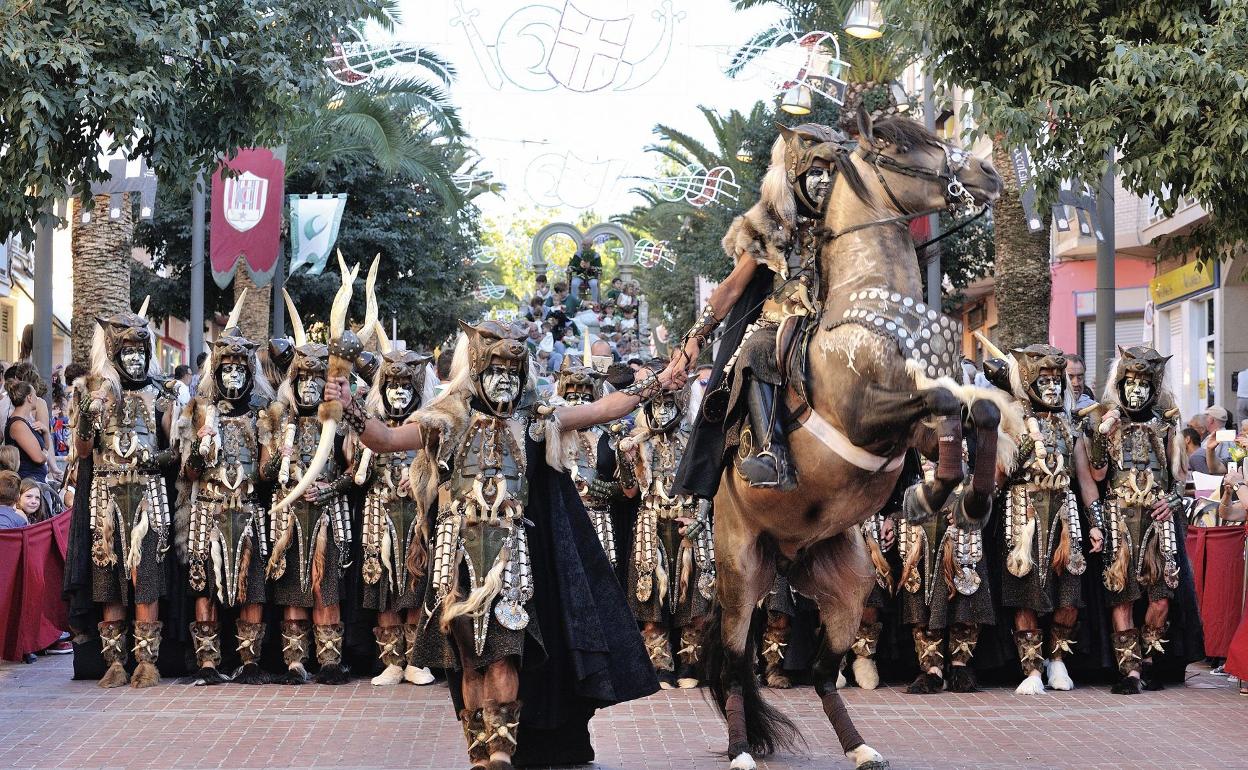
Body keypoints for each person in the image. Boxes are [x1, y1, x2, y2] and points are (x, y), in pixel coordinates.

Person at [328, 319, 659, 770]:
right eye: (495, 370)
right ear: (478, 370)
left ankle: (502, 752)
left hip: (512, 561)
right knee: (469, 663)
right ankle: (481, 753)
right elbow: (384, 440)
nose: (504, 380)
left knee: (506, 655)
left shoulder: (536, 422)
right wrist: (348, 408)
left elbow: (601, 411)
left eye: (512, 372)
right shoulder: (446, 419)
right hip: (455, 558)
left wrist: (660, 382)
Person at [663, 123, 842, 494]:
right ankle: (769, 451)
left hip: (837, 320)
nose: (825, 181)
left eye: (831, 172)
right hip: (779, 323)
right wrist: (696, 336)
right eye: (816, 172)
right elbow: (731, 289)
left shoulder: (847, 221)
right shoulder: (770, 222)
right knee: (758, 348)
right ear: (794, 172)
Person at [67, 300, 178, 688]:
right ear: (115, 353)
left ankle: (147, 662)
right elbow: (83, 452)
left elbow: (176, 451)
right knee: (108, 584)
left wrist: (153, 458)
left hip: (149, 500)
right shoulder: (92, 393)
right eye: (127, 351)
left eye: (139, 352)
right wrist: (87, 412)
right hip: (105, 500)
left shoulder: (161, 393)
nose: (134, 359)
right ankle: (114, 662)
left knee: (145, 580)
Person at [988, 344, 1102, 695]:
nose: (1053, 386)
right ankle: (1032, 668)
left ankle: (1057, 660)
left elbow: (1085, 479)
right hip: (1021, 513)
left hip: (1066, 516)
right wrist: (1020, 446)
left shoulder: (1071, 424)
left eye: (1057, 379)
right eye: (1045, 379)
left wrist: (1095, 522)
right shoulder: (1011, 420)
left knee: (1069, 595)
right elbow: (996, 477)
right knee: (1025, 594)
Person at [176, 304, 277, 685]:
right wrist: (201, 453)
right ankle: (207, 661)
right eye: (227, 369)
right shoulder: (199, 411)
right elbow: (188, 473)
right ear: (216, 373)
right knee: (203, 584)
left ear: (249, 372)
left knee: (252, 585)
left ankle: (249, 661)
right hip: (208, 510)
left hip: (248, 509)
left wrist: (278, 457)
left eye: (240, 369)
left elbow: (266, 474)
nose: (233, 375)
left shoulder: (263, 413)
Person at [1085, 346, 1188, 694]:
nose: (1137, 390)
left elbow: (1180, 481)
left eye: (1144, 383)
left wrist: (1171, 502)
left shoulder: (1168, 422)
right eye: (1131, 382)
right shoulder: (1108, 420)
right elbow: (1098, 475)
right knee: (1122, 595)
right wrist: (1102, 433)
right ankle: (1128, 668)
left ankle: (1148, 660)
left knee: (1161, 598)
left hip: (1159, 522)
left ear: (1153, 387)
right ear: (1121, 383)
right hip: (1119, 516)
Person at [263, 298, 355, 685]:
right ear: (293, 382)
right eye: (303, 380)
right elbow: (265, 472)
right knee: (291, 593)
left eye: (316, 381)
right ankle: (294, 661)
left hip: (328, 516)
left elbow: (354, 472)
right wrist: (279, 459)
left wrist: (330, 488)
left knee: (325, 589)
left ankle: (330, 661)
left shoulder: (339, 421)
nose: (309, 387)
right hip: (287, 516)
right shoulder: (277, 417)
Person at [618, 371, 714, 690]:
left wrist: (700, 518)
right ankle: (660, 665)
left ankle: (690, 663)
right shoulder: (638, 444)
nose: (662, 411)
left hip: (689, 525)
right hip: (650, 524)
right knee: (650, 601)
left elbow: (707, 486)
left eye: (668, 404)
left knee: (697, 599)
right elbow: (630, 492)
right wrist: (626, 460)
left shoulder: (695, 441)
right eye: (656, 404)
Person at [351, 335, 437, 687]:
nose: (399, 391)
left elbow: (442, 467)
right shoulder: (370, 421)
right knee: (382, 583)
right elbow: (355, 470)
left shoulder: (430, 423)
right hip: (379, 512)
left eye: (405, 385)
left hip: (417, 515)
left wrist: (421, 479)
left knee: (416, 583)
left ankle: (417, 660)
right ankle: (391, 661)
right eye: (393, 385)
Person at [6, 381, 49, 483]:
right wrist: (45, 455)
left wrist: (46, 432)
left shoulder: (26, 421)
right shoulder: (18, 425)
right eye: (35, 394)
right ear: (29, 397)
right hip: (28, 482)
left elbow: (45, 448)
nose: (36, 398)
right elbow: (38, 457)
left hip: (35, 479)